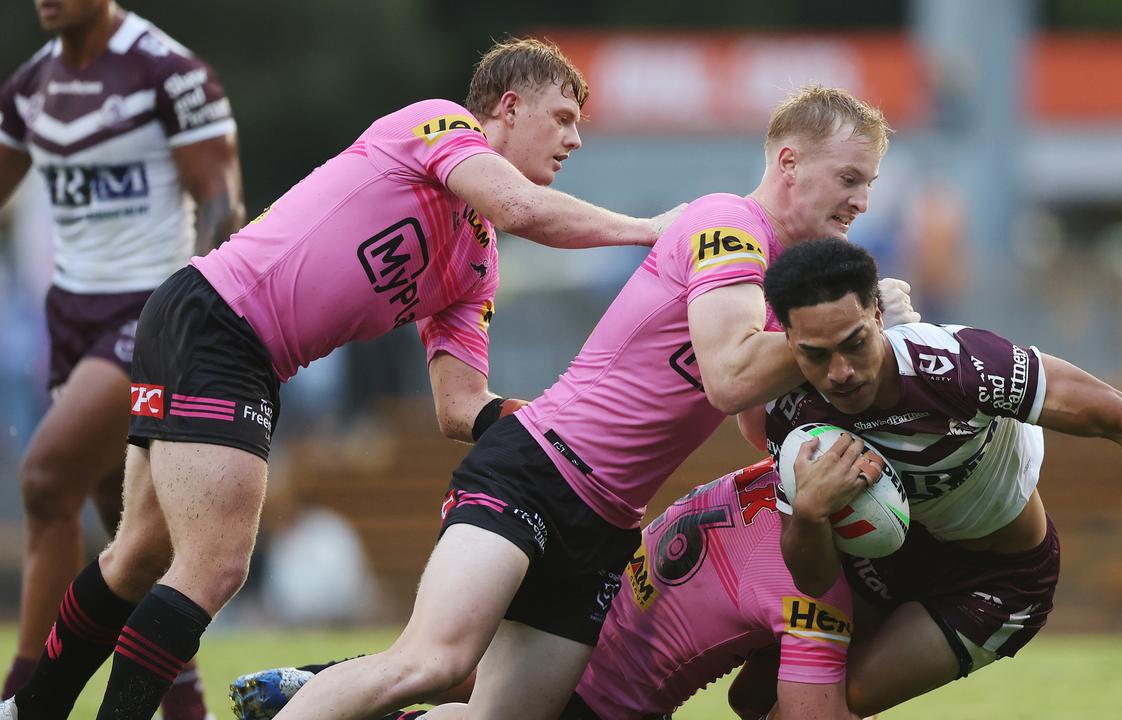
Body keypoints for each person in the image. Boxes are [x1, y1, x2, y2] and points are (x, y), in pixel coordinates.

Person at [0, 37, 680, 720]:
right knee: (215, 567)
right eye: (562, 118)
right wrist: (652, 230)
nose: (574, 141)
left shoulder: (475, 261)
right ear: (508, 106)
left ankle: (30, 711)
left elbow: (458, 406)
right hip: (220, 321)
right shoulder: (441, 124)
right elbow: (521, 210)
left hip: (225, 339)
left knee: (139, 556)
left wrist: (543, 423)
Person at [270, 85, 909, 720]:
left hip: (606, 524)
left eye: (869, 183)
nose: (862, 200)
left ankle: (309, 700)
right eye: (850, 176)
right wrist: (856, 330)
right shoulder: (729, 221)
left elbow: (750, 424)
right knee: (435, 663)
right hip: (540, 472)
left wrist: (845, 358)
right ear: (790, 163)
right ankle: (309, 700)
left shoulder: (783, 290)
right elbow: (729, 376)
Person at [733, 237, 1122, 718]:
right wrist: (809, 513)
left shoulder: (963, 366)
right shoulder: (794, 416)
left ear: (878, 314)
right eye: (815, 355)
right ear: (790, 346)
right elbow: (810, 577)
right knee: (751, 698)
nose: (841, 372)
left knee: (819, 709)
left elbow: (1120, 412)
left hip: (993, 580)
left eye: (854, 342)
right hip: (886, 564)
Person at [0, 0, 243, 717]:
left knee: (46, 481)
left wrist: (197, 322)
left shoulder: (168, 73)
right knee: (132, 538)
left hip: (147, 319)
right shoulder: (28, 88)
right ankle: (186, 706)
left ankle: (24, 699)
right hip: (69, 324)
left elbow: (223, 202)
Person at [228, 459, 857, 720]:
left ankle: (319, 685)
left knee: (454, 672)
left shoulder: (759, 471)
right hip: (612, 695)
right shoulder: (814, 592)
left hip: (590, 603)